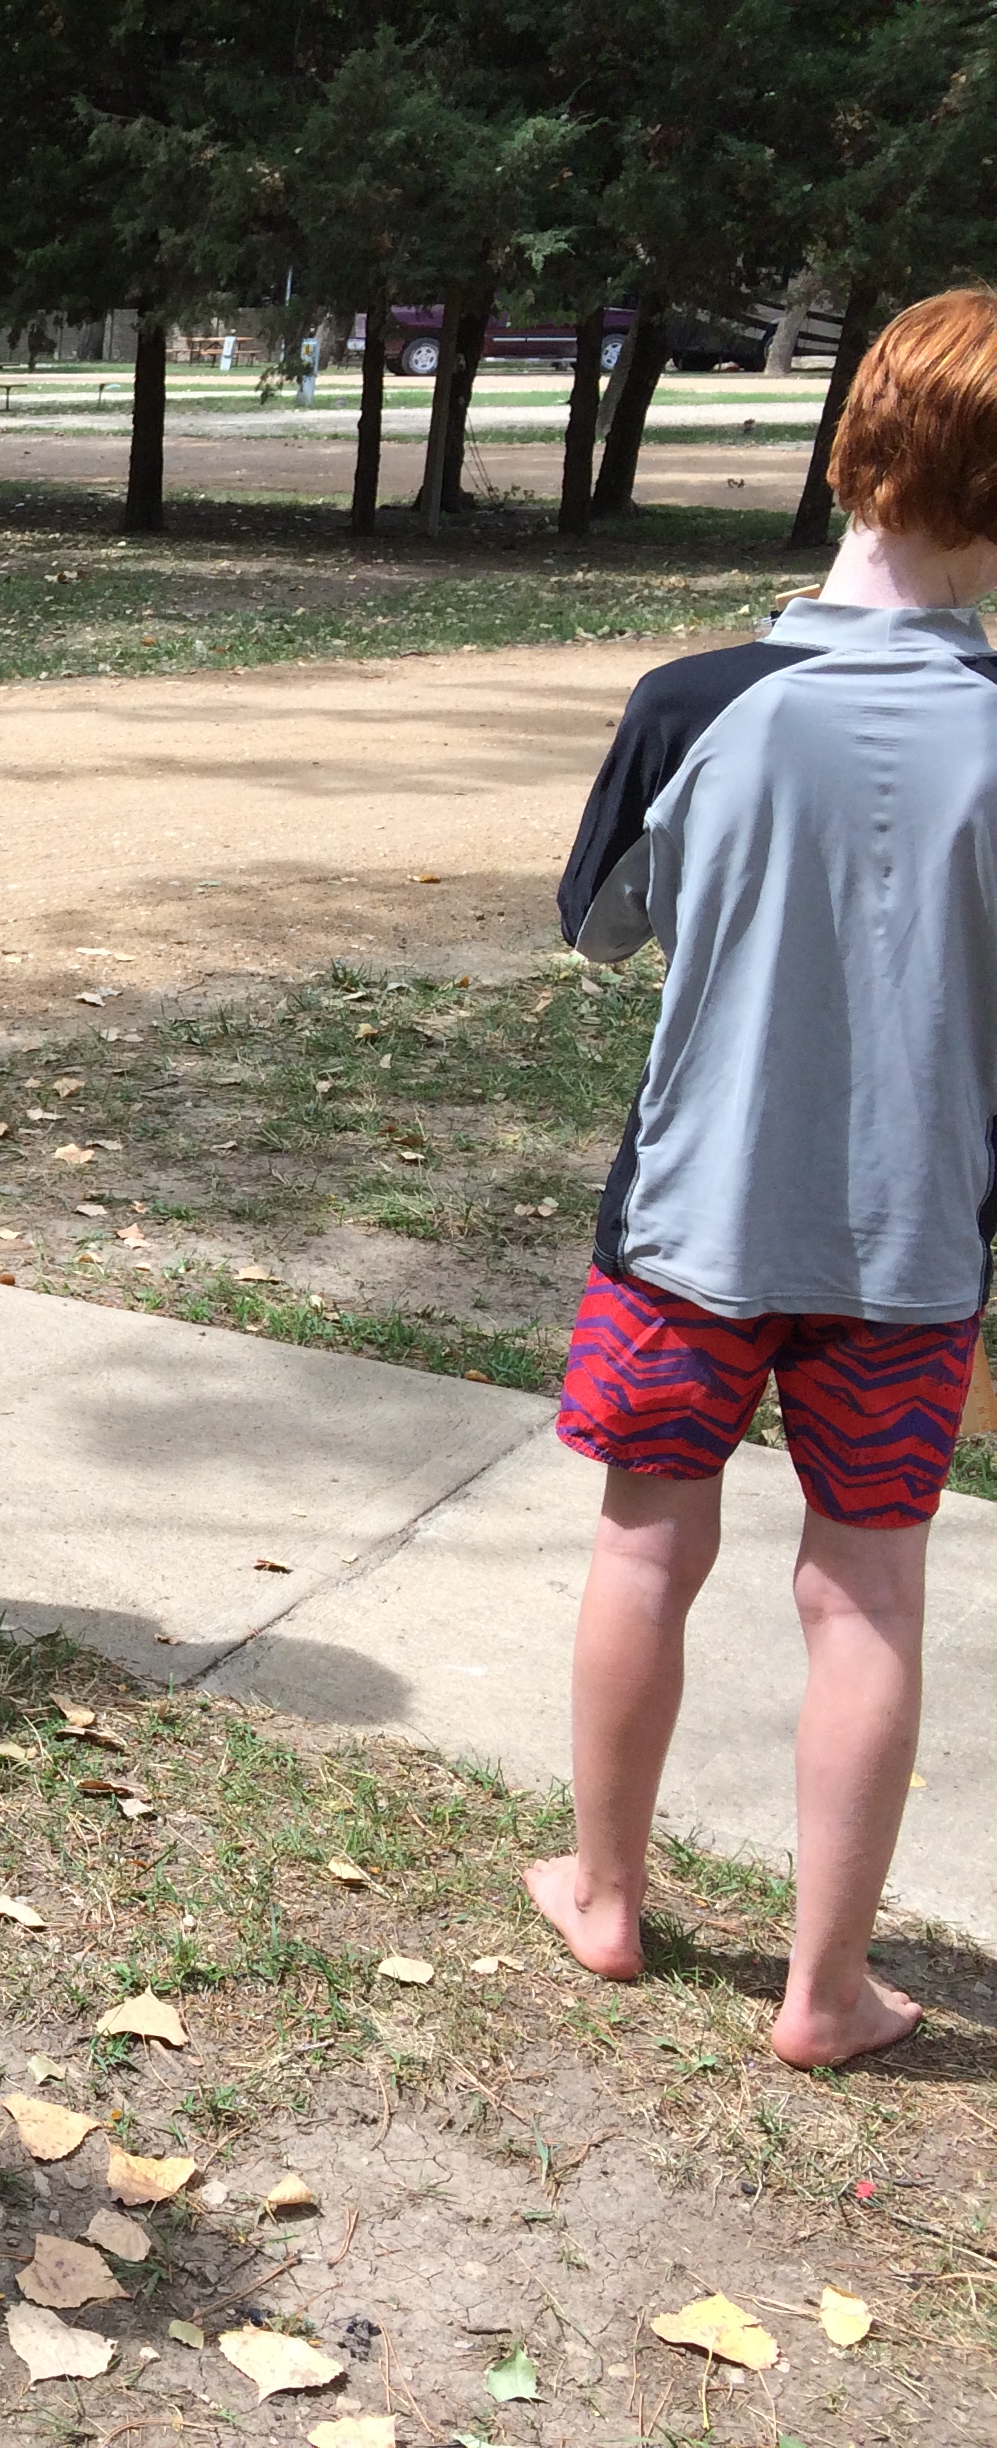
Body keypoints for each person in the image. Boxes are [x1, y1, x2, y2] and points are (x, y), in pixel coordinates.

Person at [526, 285, 997, 2070]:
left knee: (645, 1544)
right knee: (869, 1590)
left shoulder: (696, 703)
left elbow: (597, 926)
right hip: (915, 1249)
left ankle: (604, 1893)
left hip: (688, 1228)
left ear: (852, 442)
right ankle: (826, 1991)